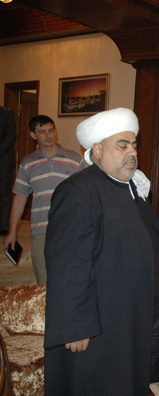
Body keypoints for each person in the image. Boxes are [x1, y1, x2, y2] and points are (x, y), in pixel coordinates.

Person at [43, 108, 159, 396]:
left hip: (138, 313)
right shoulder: (79, 190)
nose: (133, 153)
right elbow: (66, 262)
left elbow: (137, 239)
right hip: (104, 322)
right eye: (123, 145)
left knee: (135, 395)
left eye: (133, 145)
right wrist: (74, 325)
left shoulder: (130, 189)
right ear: (97, 150)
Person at [4, 115, 84, 284]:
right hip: (40, 231)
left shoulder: (75, 160)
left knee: (71, 279)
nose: (48, 136)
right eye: (42, 132)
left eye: (50, 130)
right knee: (44, 282)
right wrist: (12, 232)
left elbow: (87, 194)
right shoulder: (27, 164)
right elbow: (19, 198)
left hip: (70, 229)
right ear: (33, 135)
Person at [0, 106, 16, 236]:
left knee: (4, 192)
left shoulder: (7, 113)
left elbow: (10, 138)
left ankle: (3, 226)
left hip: (3, 161)